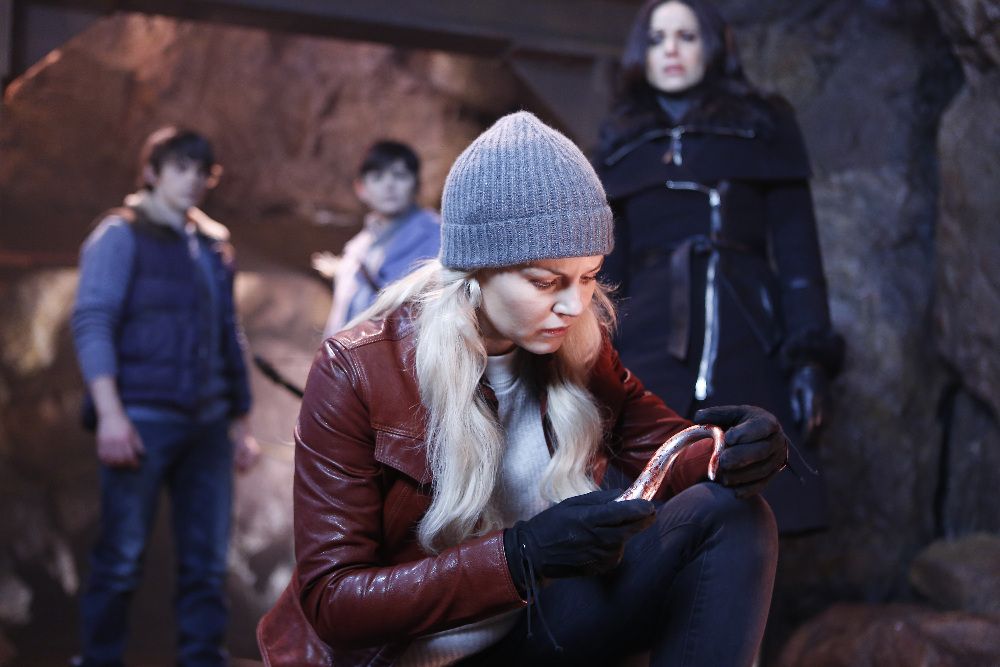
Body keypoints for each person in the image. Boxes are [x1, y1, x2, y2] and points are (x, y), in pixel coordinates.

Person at [257, 111, 786, 667]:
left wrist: (732, 453)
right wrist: (519, 557)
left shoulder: (574, 343)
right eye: (545, 282)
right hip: (413, 657)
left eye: (588, 276)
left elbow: (664, 452)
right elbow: (333, 601)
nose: (574, 305)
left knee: (730, 513)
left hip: (532, 629)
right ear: (476, 269)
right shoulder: (356, 369)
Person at [595, 0, 844, 535]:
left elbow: (798, 254)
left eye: (686, 36)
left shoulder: (761, 127)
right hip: (648, 339)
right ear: (641, 54)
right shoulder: (620, 144)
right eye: (657, 39)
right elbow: (609, 274)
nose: (671, 50)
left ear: (713, 45)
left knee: (753, 499)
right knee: (644, 509)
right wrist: (594, 363)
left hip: (745, 329)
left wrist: (810, 359)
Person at [71, 126, 260, 667]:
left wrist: (241, 422)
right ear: (152, 172)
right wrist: (110, 415)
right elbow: (93, 321)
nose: (192, 180)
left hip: (209, 422)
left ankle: (202, 658)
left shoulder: (212, 245)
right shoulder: (119, 235)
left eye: (201, 171)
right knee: (121, 557)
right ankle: (97, 659)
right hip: (143, 416)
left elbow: (228, 335)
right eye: (180, 168)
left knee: (207, 560)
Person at [313, 140, 441, 338]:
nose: (389, 185)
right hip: (354, 354)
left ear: (417, 184)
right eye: (378, 177)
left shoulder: (439, 236)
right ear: (361, 188)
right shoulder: (356, 249)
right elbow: (340, 319)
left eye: (400, 175)